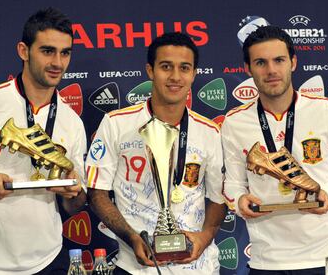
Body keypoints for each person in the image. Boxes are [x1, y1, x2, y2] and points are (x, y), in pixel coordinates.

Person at [0, 8, 87, 275]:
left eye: (65, 52)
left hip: (48, 259)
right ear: (24, 51)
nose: (58, 62)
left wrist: (73, 192)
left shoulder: (72, 122)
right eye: (47, 51)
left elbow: (75, 203)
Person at [221, 25, 328, 274]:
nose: (272, 70)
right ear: (247, 68)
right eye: (261, 62)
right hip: (266, 261)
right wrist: (240, 200)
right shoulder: (234, 122)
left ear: (293, 62)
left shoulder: (326, 111)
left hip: (327, 256)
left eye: (279, 60)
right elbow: (232, 184)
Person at [86, 32, 226, 274]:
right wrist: (131, 238)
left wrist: (204, 238)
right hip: (134, 266)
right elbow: (97, 193)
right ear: (150, 71)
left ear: (194, 74)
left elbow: (218, 198)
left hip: (197, 267)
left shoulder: (209, 132)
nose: (175, 77)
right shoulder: (116, 124)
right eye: (165, 67)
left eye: (184, 68)